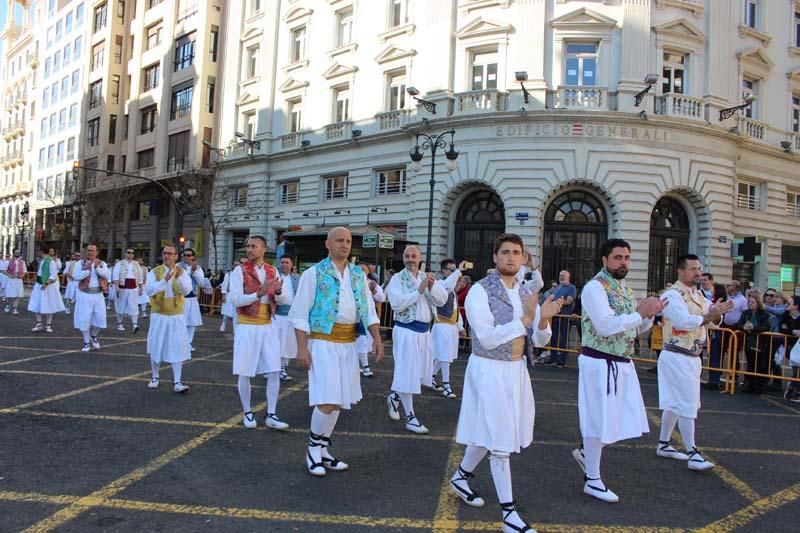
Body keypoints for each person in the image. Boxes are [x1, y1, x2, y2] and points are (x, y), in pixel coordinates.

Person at [449, 233, 561, 533]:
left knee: (495, 430)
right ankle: (509, 514)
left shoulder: (526, 292)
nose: (511, 257)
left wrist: (542, 319)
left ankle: (461, 476)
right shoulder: (479, 291)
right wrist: (525, 319)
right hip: (488, 369)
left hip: (516, 369)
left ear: (524, 258)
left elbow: (539, 339)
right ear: (495, 257)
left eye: (516, 252)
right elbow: (485, 337)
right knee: (500, 442)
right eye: (505, 252)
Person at [572, 239, 665, 503]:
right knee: (598, 420)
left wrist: (650, 314)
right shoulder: (594, 288)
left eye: (626, 257)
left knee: (612, 418)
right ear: (605, 260)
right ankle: (592, 479)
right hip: (600, 362)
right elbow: (604, 325)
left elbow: (633, 328)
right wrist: (639, 314)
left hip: (621, 361)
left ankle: (585, 454)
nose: (623, 262)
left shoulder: (625, 289)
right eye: (617, 257)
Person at [289, 227, 382, 476]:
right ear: (327, 244)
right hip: (323, 342)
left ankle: (323, 450)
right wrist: (301, 348)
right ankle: (312, 449)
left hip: (349, 343)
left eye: (349, 241)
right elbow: (299, 314)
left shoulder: (357, 275)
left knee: (339, 401)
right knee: (327, 399)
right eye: (339, 240)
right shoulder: (313, 273)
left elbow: (369, 309)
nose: (345, 244)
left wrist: (377, 338)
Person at [657, 255, 733, 472]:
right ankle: (692, 452)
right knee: (687, 403)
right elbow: (684, 321)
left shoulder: (697, 294)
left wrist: (718, 313)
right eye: (693, 269)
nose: (698, 273)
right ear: (680, 271)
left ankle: (664, 444)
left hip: (691, 355)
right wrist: (711, 316)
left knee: (675, 402)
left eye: (699, 269)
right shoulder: (673, 294)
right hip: (677, 354)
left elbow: (714, 317)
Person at [386, 245, 448, 434]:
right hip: (406, 331)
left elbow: (442, 300)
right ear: (403, 258)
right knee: (407, 373)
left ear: (419, 258)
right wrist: (418, 291)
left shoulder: (425, 277)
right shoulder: (397, 279)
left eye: (413, 256)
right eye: (407, 256)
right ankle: (411, 417)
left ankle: (394, 396)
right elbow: (397, 304)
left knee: (419, 375)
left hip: (424, 332)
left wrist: (432, 287)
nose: (410, 259)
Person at [229, 236, 290, 429]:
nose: (249, 249)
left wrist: (279, 292)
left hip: (268, 325)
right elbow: (236, 300)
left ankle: (271, 413)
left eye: (253, 246)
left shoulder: (272, 271)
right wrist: (258, 294)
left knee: (273, 369)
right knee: (245, 371)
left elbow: (284, 299)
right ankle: (247, 412)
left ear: (263, 249)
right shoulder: (239, 271)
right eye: (248, 246)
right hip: (247, 324)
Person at [145, 244, 193, 393]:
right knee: (156, 344)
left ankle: (177, 381)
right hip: (159, 313)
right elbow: (149, 290)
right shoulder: (154, 272)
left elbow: (187, 291)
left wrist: (178, 279)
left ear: (176, 256)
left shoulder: (182, 272)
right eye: (165, 253)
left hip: (176, 314)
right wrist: (164, 281)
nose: (167, 256)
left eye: (170, 254)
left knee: (176, 345)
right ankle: (155, 376)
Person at [431, 258, 468, 398]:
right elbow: (446, 286)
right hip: (442, 325)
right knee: (444, 356)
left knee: (444, 356)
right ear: (443, 271)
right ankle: (446, 384)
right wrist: (458, 271)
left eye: (454, 269)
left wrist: (460, 326)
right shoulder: (440, 284)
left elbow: (455, 308)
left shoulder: (452, 289)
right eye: (450, 269)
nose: (453, 272)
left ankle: (431, 377)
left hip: (450, 326)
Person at [72, 244, 111, 352]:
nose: (90, 253)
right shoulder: (80, 263)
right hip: (85, 294)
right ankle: (86, 343)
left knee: (101, 319)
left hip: (98, 295)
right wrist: (88, 270)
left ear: (97, 252)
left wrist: (97, 268)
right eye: (88, 250)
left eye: (92, 251)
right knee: (85, 319)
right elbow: (76, 276)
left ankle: (93, 335)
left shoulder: (102, 263)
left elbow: (107, 275)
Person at [737, 293, 772, 393]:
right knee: (750, 363)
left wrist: (754, 328)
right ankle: (750, 385)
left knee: (760, 364)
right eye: (749, 302)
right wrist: (743, 327)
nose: (750, 304)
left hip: (761, 342)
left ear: (758, 303)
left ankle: (759, 386)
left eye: (753, 302)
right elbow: (739, 324)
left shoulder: (764, 314)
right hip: (749, 341)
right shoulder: (746, 313)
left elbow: (766, 327)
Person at [356, 263, 385, 378]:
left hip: (366, 317)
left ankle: (365, 365)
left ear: (368, 271)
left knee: (363, 340)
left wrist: (373, 290)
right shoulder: (349, 281)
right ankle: (362, 365)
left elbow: (382, 298)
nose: (361, 271)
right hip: (353, 318)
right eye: (359, 269)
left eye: (363, 269)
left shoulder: (371, 283)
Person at [28, 243, 66, 332]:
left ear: (41, 251)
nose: (37, 252)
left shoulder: (51, 262)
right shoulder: (41, 261)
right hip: (39, 285)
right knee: (37, 303)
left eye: (38, 250)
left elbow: (53, 275)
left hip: (48, 287)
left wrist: (46, 283)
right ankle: (39, 324)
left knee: (50, 305)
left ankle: (48, 325)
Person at [177, 248, 210, 351]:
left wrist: (195, 271)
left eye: (189, 255)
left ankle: (188, 343)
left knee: (191, 322)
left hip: (191, 298)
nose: (186, 257)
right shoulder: (177, 266)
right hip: (179, 298)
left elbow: (201, 283)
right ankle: (179, 342)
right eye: (184, 255)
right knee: (179, 321)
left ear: (193, 257)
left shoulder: (197, 268)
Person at [544, 270, 577, 367]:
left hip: (565, 317)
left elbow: (569, 301)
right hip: (555, 316)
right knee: (553, 338)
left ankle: (563, 360)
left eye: (563, 275)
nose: (561, 277)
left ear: (568, 277)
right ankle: (553, 358)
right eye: (560, 275)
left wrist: (559, 302)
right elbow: (552, 298)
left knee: (564, 338)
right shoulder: (558, 287)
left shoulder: (572, 288)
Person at [275, 255, 300, 381]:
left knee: (289, 344)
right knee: (277, 342)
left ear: (291, 264)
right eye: (282, 262)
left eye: (286, 262)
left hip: (292, 316)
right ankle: (276, 367)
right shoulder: (275, 277)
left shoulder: (296, 278)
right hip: (278, 315)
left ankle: (283, 366)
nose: (284, 264)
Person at [112, 248, 145, 333]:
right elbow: (115, 276)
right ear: (125, 253)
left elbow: (140, 277)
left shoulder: (136, 264)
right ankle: (120, 324)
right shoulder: (119, 264)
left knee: (134, 306)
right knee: (120, 306)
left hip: (133, 288)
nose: (130, 254)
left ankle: (135, 325)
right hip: (122, 288)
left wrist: (141, 289)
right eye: (129, 252)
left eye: (132, 253)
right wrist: (117, 287)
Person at [704, 282, 729, 390]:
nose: (711, 290)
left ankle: (714, 380)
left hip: (717, 332)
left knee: (715, 356)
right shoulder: (712, 301)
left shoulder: (720, 302)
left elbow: (718, 319)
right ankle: (713, 378)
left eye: (713, 289)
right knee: (713, 356)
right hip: (714, 331)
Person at [780, 296, 800, 402]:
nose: (787, 305)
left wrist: (789, 329)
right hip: (790, 345)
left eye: (790, 303)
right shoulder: (786, 315)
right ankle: (794, 386)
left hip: (799, 344)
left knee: (798, 370)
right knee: (796, 368)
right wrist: (793, 331)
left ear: (796, 306)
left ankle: (793, 386)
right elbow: (781, 328)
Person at [4, 249, 26, 314]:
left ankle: (14, 308)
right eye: (16, 252)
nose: (17, 254)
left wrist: (22, 276)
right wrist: (10, 275)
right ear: (13, 253)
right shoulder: (9, 261)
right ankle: (8, 304)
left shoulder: (22, 262)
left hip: (18, 279)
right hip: (11, 279)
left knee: (17, 295)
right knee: (9, 294)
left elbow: (24, 271)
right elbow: (4, 271)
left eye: (18, 252)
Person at [219, 261, 238, 333]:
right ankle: (223, 323)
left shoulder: (241, 274)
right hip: (229, 294)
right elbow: (224, 284)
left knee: (236, 312)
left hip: (237, 296)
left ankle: (235, 328)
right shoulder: (228, 274)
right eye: (235, 265)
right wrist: (223, 295)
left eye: (237, 265)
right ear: (232, 265)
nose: (236, 266)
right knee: (226, 312)